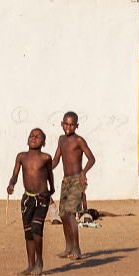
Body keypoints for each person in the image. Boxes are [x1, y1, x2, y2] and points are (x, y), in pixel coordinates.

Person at [7, 128, 55, 276]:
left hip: (41, 197)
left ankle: (39, 261)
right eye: (31, 135)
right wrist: (11, 184)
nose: (33, 138)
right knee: (28, 233)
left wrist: (52, 188)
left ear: (44, 142)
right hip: (27, 198)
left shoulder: (46, 158)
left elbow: (49, 174)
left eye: (38, 136)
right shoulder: (21, 157)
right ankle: (30, 265)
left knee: (36, 228)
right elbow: (15, 174)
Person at [52, 111, 95, 260]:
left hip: (77, 180)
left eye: (72, 124)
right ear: (62, 123)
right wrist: (45, 169)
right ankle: (68, 248)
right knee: (63, 214)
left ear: (77, 125)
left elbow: (91, 158)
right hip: (66, 181)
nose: (68, 127)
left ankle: (77, 248)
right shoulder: (61, 140)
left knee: (70, 212)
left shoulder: (79, 141)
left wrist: (83, 173)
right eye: (66, 123)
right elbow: (56, 159)